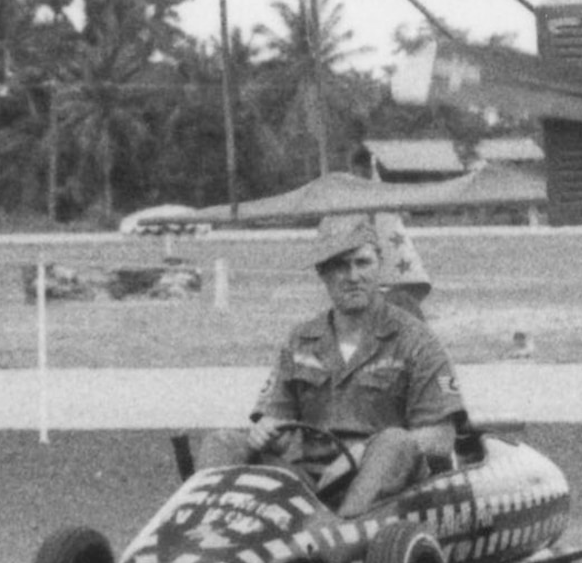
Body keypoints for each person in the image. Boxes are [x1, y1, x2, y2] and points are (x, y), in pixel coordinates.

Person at [197, 215, 467, 512]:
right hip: (310, 478)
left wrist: (365, 451)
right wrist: (266, 431)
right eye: (339, 265)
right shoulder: (301, 340)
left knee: (395, 441)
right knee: (222, 441)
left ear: (380, 264)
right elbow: (276, 422)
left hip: (386, 485)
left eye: (362, 263)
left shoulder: (416, 341)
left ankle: (342, 532)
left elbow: (441, 437)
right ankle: (201, 534)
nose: (352, 276)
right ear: (322, 273)